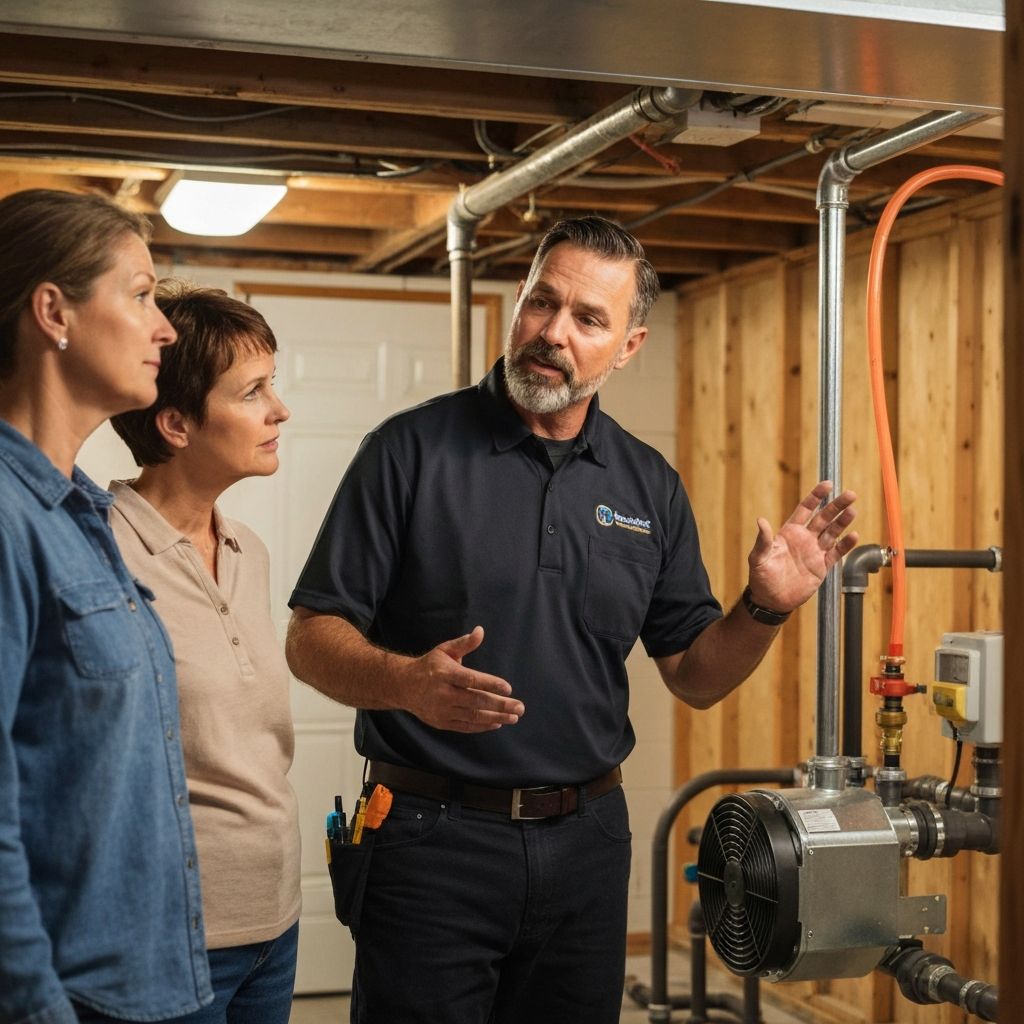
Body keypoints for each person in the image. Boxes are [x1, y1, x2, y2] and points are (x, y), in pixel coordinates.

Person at [285, 215, 857, 1024]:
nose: (553, 332)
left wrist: (765, 606)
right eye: (541, 303)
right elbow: (311, 638)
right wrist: (405, 682)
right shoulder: (409, 452)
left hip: (587, 844)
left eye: (588, 319)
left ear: (627, 347)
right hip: (429, 840)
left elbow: (695, 677)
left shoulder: (647, 484)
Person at [0, 190, 213, 1024]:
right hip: (67, 999)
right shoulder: (8, 517)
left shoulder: (81, 510)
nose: (164, 327)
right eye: (140, 294)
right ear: (53, 310)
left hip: (141, 984)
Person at [107, 282, 299, 1024]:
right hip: (166, 936)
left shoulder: (249, 551)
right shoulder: (101, 548)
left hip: (273, 926)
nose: (278, 410)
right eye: (253, 391)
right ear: (177, 423)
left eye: (272, 384)